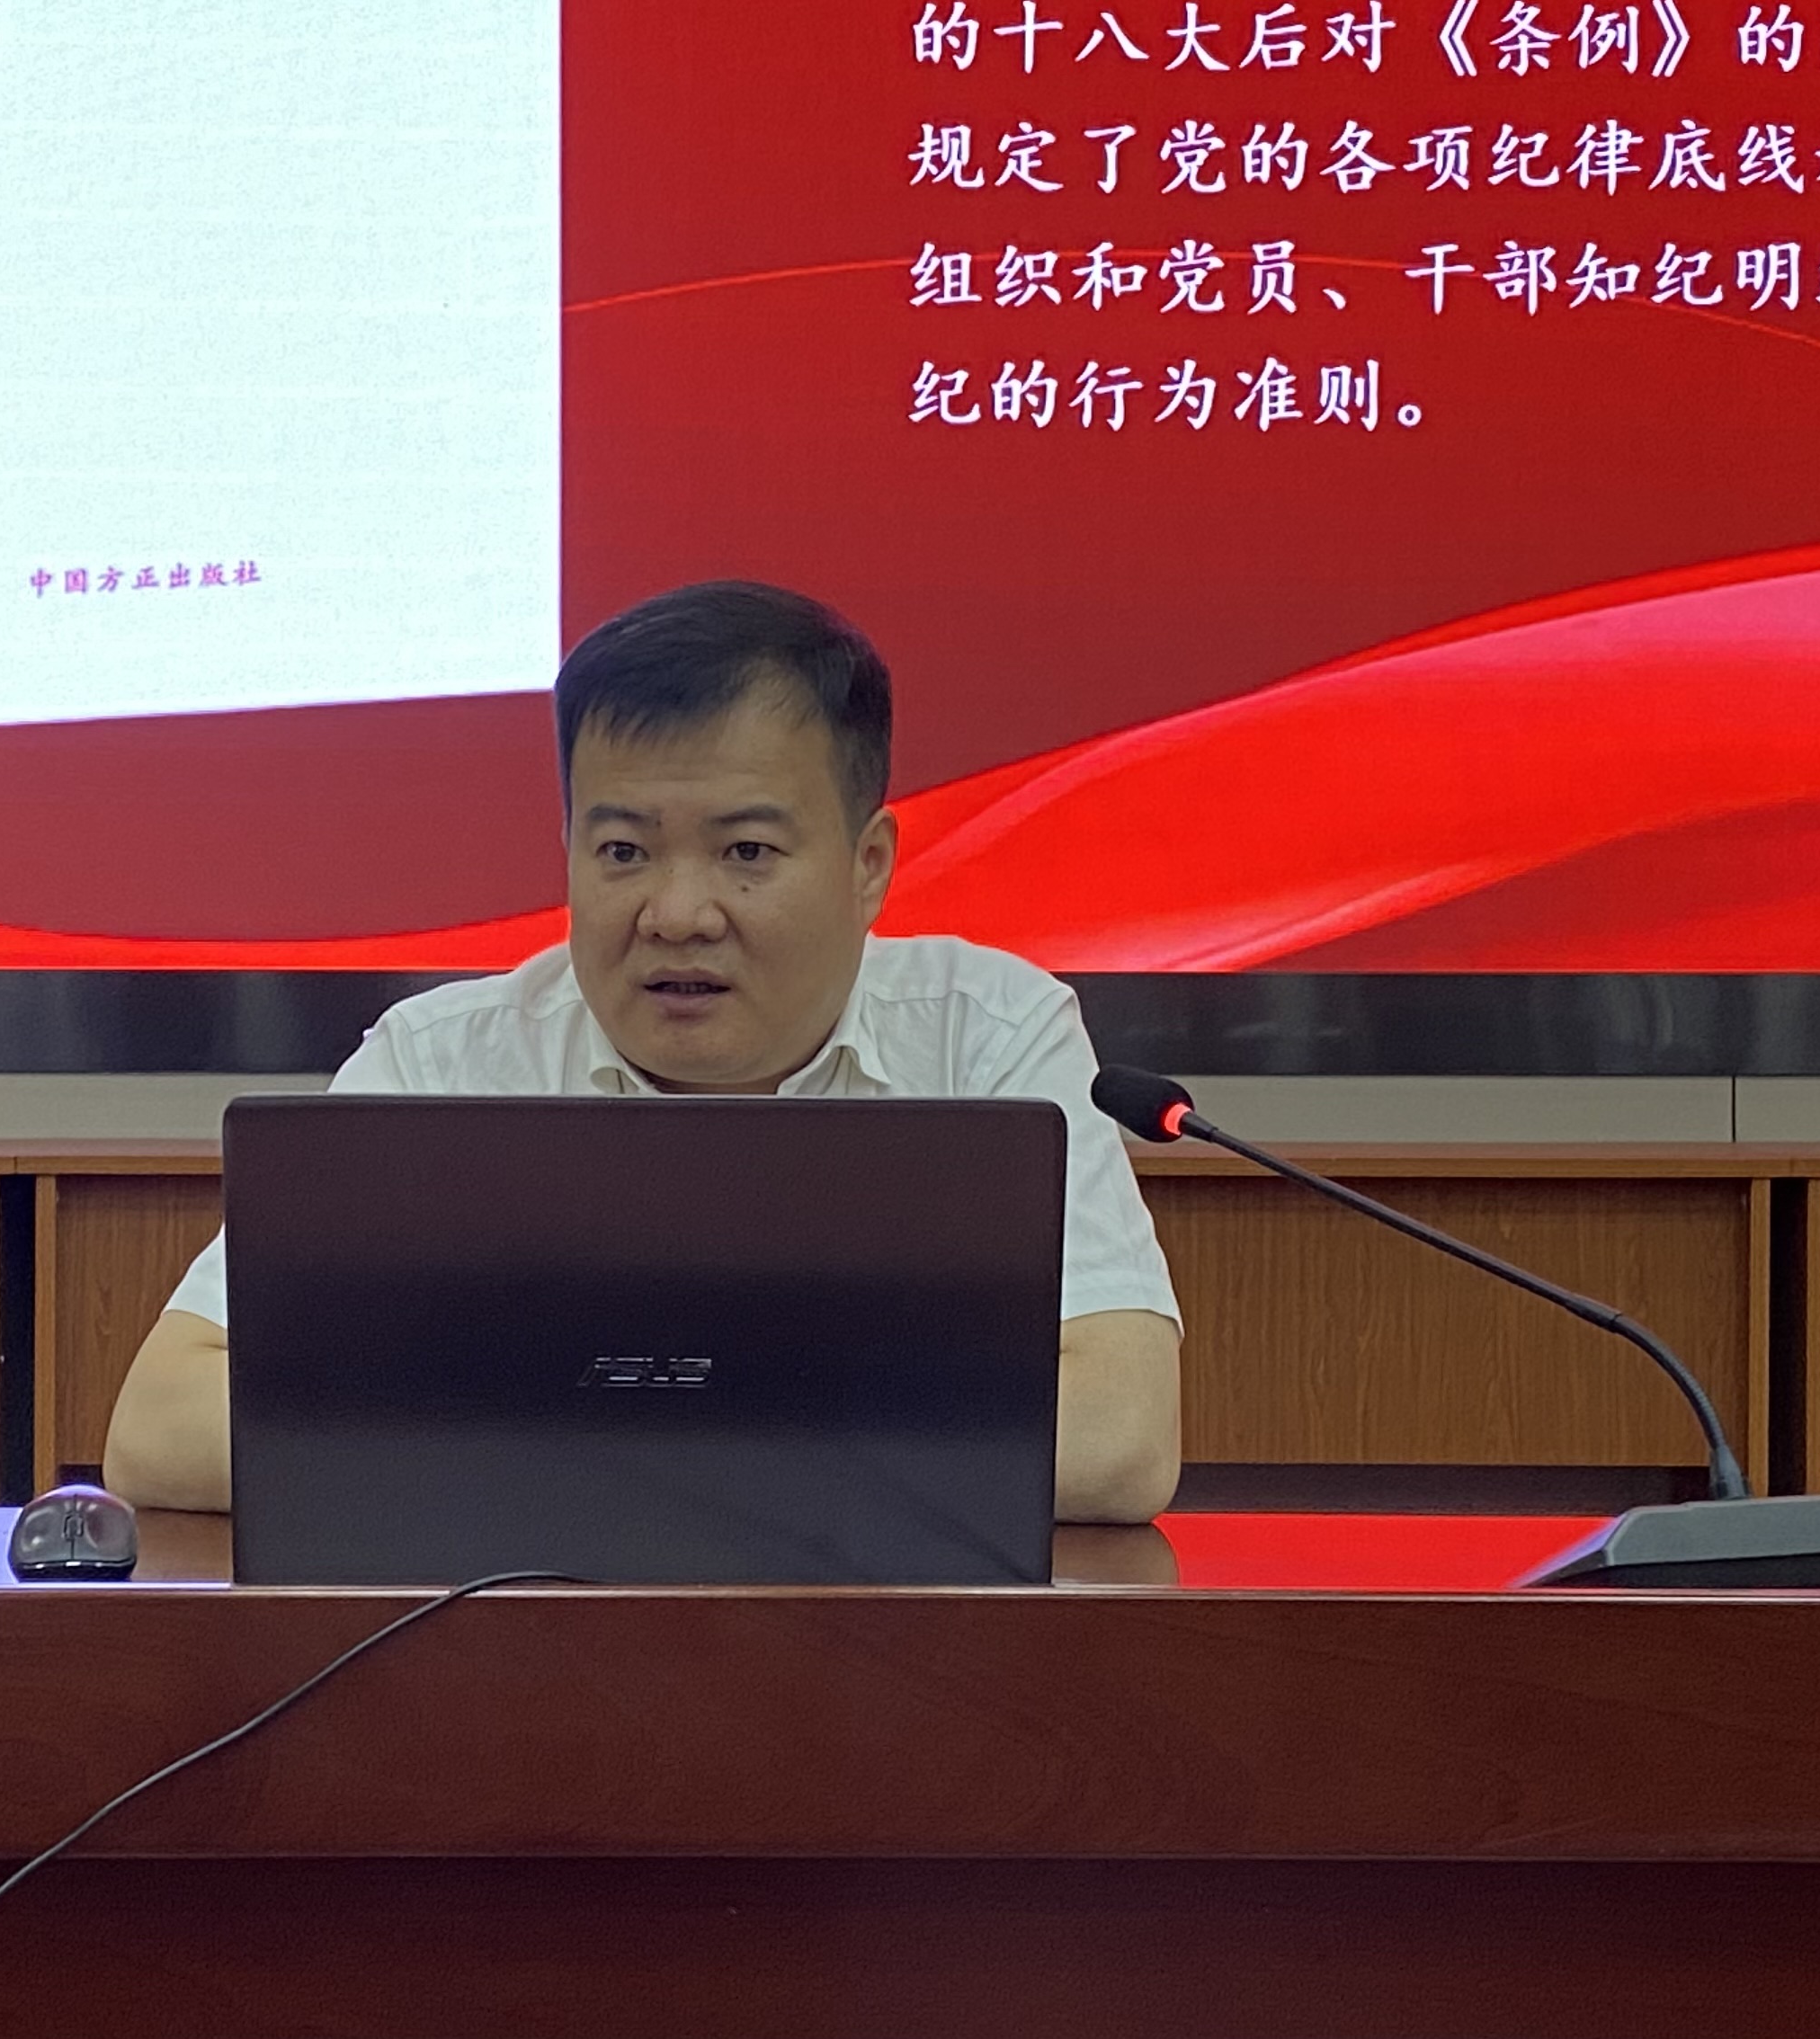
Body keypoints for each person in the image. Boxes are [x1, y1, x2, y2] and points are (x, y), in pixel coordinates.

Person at [103, 582, 1185, 1521]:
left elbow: (1118, 1438)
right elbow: (164, 1428)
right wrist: (800, 1446)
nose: (676, 914)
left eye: (745, 851)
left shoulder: (986, 1038)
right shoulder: (443, 1065)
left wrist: (540, 1436)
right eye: (623, 850)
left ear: (868, 865)